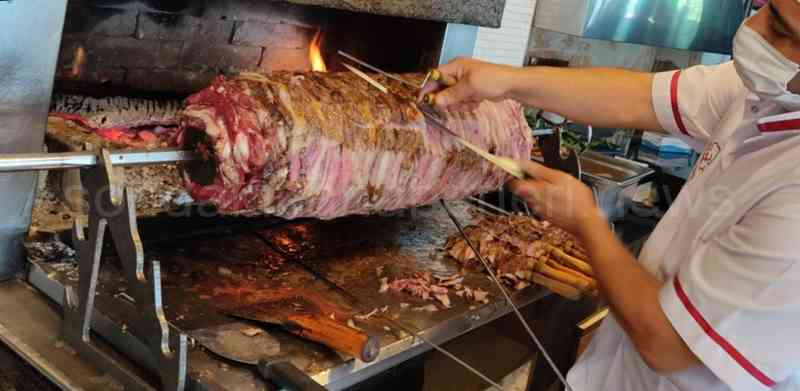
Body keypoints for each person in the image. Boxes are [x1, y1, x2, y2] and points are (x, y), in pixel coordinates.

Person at [422, 1, 800, 390]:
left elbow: (667, 345)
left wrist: (587, 222)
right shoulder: (765, 88)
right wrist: (506, 80)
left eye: (782, 30)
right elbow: (637, 97)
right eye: (766, 7)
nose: (754, 27)